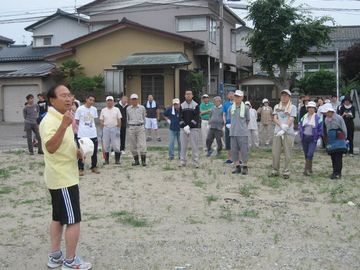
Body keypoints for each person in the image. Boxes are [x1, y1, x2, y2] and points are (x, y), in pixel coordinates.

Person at [39, 84, 91, 270]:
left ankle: (55, 257)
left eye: (69, 95)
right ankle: (70, 261)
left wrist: (76, 151)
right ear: (52, 100)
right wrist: (63, 125)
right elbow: (51, 148)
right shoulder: (50, 121)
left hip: (60, 176)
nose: (68, 99)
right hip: (63, 179)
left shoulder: (63, 116)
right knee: (73, 220)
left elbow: (62, 144)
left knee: (58, 218)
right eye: (63, 96)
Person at [270, 89, 297, 179]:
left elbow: (291, 118)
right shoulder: (277, 106)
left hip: (288, 132)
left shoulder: (292, 107)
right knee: (275, 152)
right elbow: (274, 118)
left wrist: (285, 127)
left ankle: (286, 170)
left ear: (289, 97)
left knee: (287, 152)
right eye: (282, 95)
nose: (284, 97)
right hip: (277, 132)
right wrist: (281, 125)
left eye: (286, 95)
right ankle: (275, 170)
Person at [75, 95, 100, 176]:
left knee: (94, 151)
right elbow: (77, 121)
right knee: (82, 152)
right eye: (90, 99)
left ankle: (94, 166)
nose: (91, 101)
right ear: (86, 99)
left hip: (92, 133)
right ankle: (81, 168)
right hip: (82, 134)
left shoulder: (94, 109)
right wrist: (83, 127)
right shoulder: (80, 109)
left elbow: (94, 120)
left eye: (93, 100)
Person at [299, 101, 323, 176]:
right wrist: (301, 132)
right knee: (306, 154)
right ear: (307, 109)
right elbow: (300, 125)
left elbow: (321, 129)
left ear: (315, 109)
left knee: (310, 153)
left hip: (313, 138)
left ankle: (306, 170)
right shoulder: (304, 117)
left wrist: (317, 136)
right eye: (309, 108)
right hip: (304, 138)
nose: (310, 109)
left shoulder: (318, 118)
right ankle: (310, 169)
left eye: (312, 108)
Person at [229, 90, 250, 175]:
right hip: (233, 132)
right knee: (234, 150)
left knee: (244, 150)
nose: (236, 98)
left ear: (242, 97)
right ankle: (237, 166)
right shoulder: (231, 108)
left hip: (242, 132)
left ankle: (245, 166)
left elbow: (248, 120)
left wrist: (243, 127)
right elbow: (230, 119)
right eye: (235, 96)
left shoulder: (246, 108)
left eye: (238, 96)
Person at [324, 105, 348, 179]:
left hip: (339, 136)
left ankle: (338, 173)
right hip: (331, 137)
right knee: (333, 156)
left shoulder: (339, 118)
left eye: (327, 112)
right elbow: (327, 129)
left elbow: (344, 128)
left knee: (338, 156)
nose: (326, 114)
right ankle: (334, 172)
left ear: (331, 111)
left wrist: (344, 138)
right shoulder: (326, 119)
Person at [179, 90, 200, 168]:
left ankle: (195, 162)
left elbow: (196, 118)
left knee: (194, 146)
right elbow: (180, 117)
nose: (188, 95)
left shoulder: (196, 105)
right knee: (183, 146)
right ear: (184, 95)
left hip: (193, 129)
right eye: (186, 94)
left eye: (189, 94)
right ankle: (182, 161)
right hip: (183, 129)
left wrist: (189, 126)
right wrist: (184, 126)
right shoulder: (182, 105)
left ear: (192, 95)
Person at [100, 96, 122, 165]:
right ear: (106, 102)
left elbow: (119, 120)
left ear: (113, 102)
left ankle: (117, 160)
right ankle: (106, 160)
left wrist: (118, 129)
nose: (109, 102)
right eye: (108, 101)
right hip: (106, 128)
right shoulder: (103, 110)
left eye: (111, 100)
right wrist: (102, 130)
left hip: (114, 128)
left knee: (116, 145)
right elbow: (101, 120)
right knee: (106, 145)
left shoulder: (117, 109)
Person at [127, 94, 147, 166]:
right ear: (130, 100)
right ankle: (136, 161)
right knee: (132, 145)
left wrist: (143, 125)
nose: (134, 100)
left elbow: (144, 117)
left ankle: (143, 161)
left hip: (140, 127)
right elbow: (127, 118)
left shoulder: (142, 108)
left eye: (135, 99)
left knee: (142, 144)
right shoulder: (128, 108)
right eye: (132, 99)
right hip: (132, 127)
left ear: (137, 100)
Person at [223, 90, 235, 164]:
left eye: (232, 94)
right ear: (227, 96)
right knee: (228, 141)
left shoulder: (237, 103)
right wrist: (225, 123)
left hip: (236, 125)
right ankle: (229, 158)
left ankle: (238, 158)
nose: (231, 95)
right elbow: (224, 114)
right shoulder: (226, 104)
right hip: (228, 125)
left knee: (236, 142)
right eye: (229, 94)